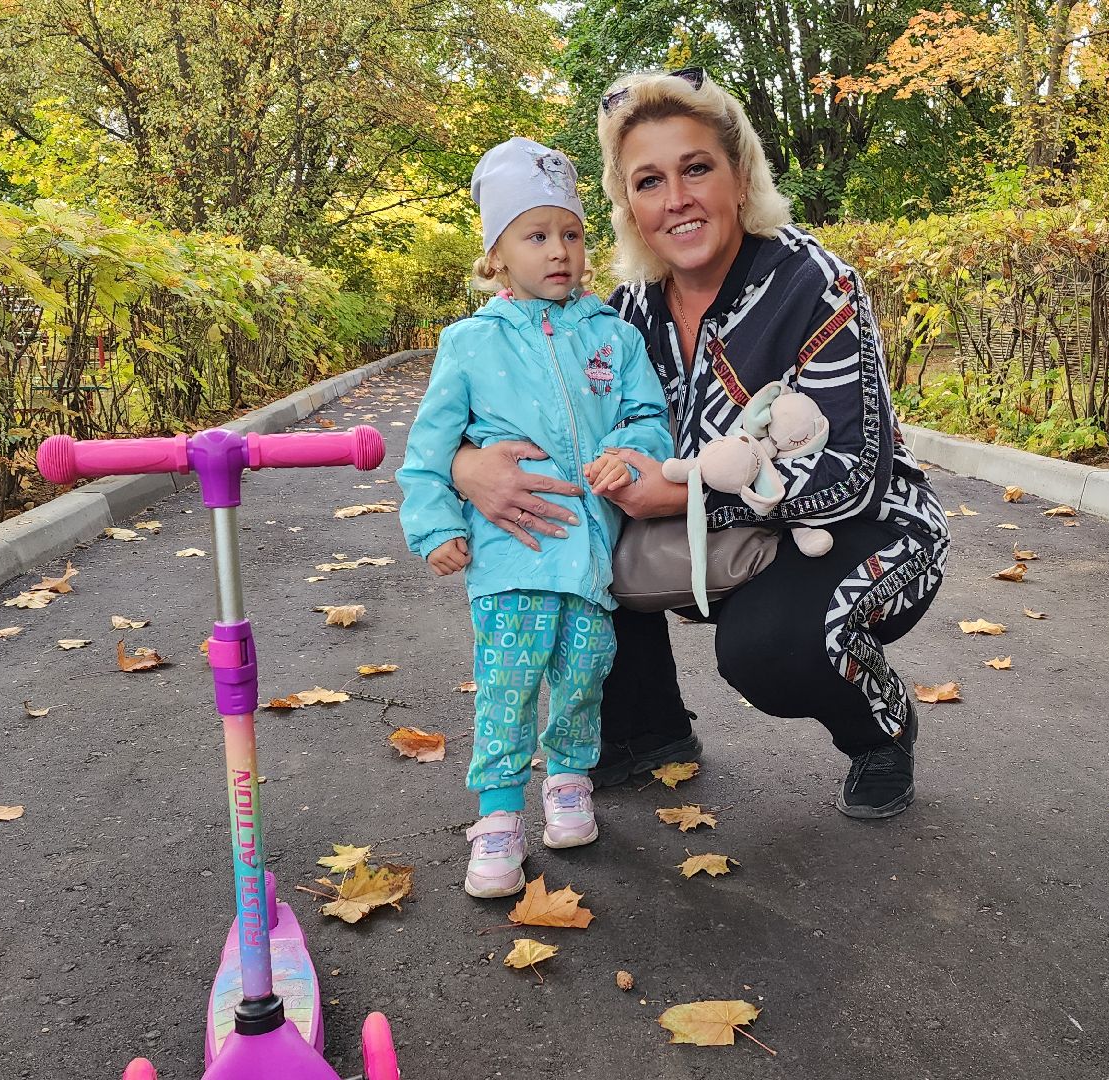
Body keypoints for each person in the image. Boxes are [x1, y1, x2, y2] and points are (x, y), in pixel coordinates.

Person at [453, 72, 950, 820]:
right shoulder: (625, 311)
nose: (676, 198)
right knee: (570, 548)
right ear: (629, 208)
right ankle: (648, 731)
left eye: (696, 168)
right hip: (715, 534)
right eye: (649, 181)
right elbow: (526, 413)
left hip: (862, 530)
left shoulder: (813, 283)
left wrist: (684, 494)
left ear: (740, 175)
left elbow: (853, 473)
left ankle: (879, 728)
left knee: (767, 649)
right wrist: (467, 469)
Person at [396, 137, 673, 897]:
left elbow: (650, 418)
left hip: (590, 560)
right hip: (511, 554)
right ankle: (495, 816)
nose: (560, 251)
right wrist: (435, 526)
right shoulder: (469, 343)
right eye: (536, 234)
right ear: (496, 255)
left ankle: (570, 781)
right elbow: (430, 447)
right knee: (509, 682)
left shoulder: (614, 338)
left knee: (585, 676)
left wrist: (627, 450)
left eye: (573, 234)